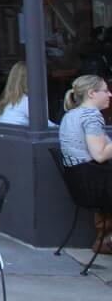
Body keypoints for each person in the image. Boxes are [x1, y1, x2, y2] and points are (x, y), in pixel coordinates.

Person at [57, 74, 112, 253]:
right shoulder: (91, 115)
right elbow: (100, 155)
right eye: (105, 90)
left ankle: (105, 239)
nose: (109, 94)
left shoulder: (71, 114)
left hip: (83, 184)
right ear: (92, 93)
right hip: (96, 186)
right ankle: (106, 239)